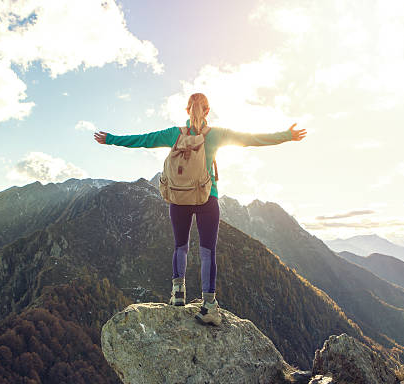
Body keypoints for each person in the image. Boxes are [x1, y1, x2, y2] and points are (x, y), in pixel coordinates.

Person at [94, 93, 307, 326]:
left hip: (179, 197)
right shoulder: (215, 134)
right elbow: (251, 139)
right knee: (207, 252)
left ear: (187, 111)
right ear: (207, 111)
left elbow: (143, 139)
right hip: (207, 198)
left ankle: (177, 295)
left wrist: (111, 138)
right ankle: (209, 306)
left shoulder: (174, 134)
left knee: (180, 247)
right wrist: (287, 135)